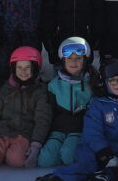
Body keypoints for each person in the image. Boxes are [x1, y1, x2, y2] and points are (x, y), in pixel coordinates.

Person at [19, 58, 118, 181]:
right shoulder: (98, 103)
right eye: (113, 81)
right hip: (95, 149)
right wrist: (104, 154)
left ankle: (103, 177)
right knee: (85, 166)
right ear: (106, 83)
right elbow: (92, 132)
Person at [0, 46, 52, 170]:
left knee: (17, 160)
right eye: (19, 67)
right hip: (1, 133)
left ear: (35, 69)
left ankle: (8, 154)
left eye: (28, 68)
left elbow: (43, 119)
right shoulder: (6, 88)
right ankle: (0, 152)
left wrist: (36, 144)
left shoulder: (40, 91)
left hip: (24, 135)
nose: (23, 71)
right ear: (13, 69)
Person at [38, 37, 95, 167]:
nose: (73, 62)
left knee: (68, 156)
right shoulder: (54, 85)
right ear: (63, 61)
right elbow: (49, 112)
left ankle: (79, 155)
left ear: (85, 60)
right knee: (44, 161)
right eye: (69, 58)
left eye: (78, 58)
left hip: (79, 129)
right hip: (59, 130)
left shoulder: (92, 84)